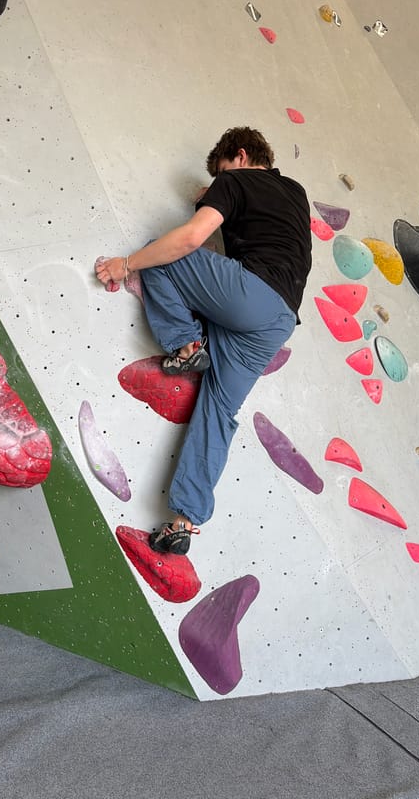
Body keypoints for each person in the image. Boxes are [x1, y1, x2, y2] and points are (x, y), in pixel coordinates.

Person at [95, 127, 312, 555]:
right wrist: (215, 196)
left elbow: (192, 238)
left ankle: (186, 346)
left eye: (222, 173)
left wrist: (125, 265)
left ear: (241, 156)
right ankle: (183, 522)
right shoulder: (295, 192)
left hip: (252, 294)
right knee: (217, 410)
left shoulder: (236, 181)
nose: (218, 184)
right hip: (278, 321)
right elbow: (264, 225)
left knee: (160, 253)